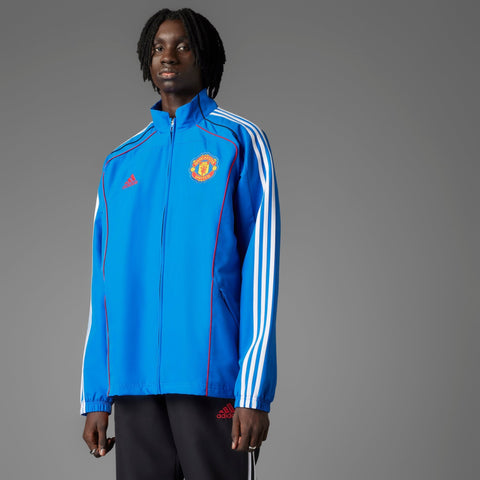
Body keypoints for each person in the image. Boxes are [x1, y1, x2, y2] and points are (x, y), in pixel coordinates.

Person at [80, 7, 280, 480]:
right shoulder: (120, 162)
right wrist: (95, 396)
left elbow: (261, 267)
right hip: (134, 382)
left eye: (183, 45)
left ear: (204, 57)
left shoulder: (238, 141)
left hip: (212, 378)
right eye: (158, 47)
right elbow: (102, 287)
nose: (168, 56)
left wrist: (252, 391)